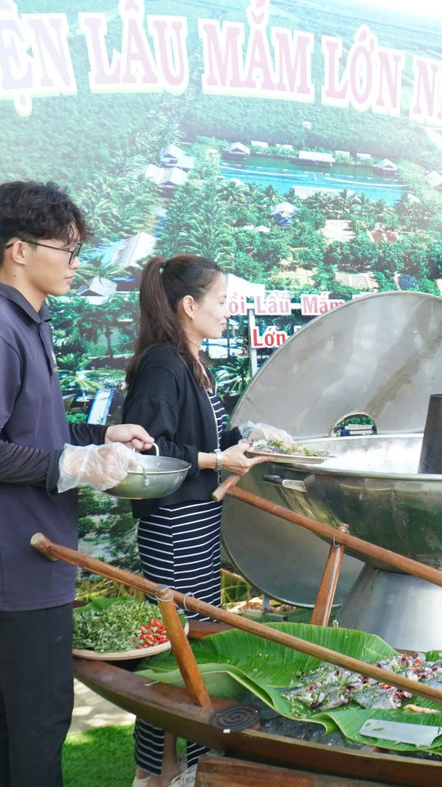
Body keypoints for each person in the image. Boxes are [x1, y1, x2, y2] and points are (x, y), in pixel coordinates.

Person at [0, 181, 154, 787]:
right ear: (18, 250)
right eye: (66, 250)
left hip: (35, 549)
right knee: (39, 719)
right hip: (18, 556)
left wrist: (100, 437)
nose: (75, 264)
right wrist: (71, 466)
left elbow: (34, 430)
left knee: (7, 718)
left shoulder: (27, 322)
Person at [121, 255, 270, 787]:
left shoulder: (191, 362)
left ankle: (188, 769)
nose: (229, 311)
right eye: (222, 301)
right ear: (189, 305)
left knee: (195, 650)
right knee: (173, 653)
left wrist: (246, 442)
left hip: (199, 524)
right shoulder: (163, 365)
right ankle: (152, 772)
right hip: (173, 528)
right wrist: (214, 460)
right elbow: (145, 448)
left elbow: (205, 441)